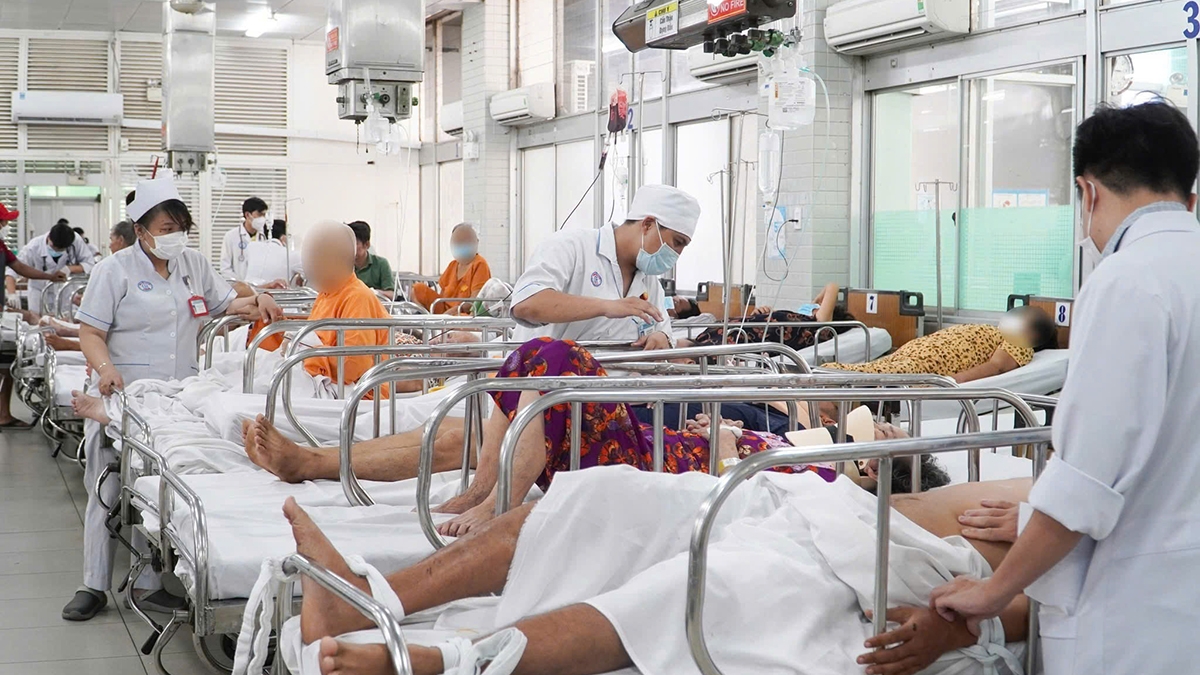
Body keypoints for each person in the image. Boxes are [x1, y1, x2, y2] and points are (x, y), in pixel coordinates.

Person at [930, 102, 1200, 674]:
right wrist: (1032, 518)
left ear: (1088, 192)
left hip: (1132, 616)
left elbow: (1085, 484)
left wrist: (992, 592)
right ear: (1190, 199)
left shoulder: (1127, 280)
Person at [274, 471, 1030, 675]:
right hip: (827, 506)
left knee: (700, 591)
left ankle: (447, 661)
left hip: (902, 576)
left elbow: (1069, 605)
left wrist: (975, 620)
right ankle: (372, 599)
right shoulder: (1073, 449)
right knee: (602, 499)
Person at [62, 174, 283, 622]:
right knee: (106, 487)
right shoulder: (114, 270)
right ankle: (93, 585)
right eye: (166, 229)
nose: (174, 236)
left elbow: (225, 304)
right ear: (140, 230)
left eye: (180, 228)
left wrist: (258, 299)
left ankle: (148, 585)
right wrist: (105, 369)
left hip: (176, 396)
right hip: (122, 392)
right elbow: (90, 332)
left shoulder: (192, 264)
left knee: (156, 487)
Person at [509, 184, 700, 349]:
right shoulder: (571, 247)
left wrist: (661, 338)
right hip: (545, 378)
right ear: (648, 225)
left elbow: (664, 331)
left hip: (612, 380)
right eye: (677, 242)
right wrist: (606, 306)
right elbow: (527, 304)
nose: (677, 253)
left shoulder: (649, 283)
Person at [247, 221, 397, 394]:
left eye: (315, 261)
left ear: (336, 260)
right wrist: (289, 336)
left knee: (262, 392)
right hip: (324, 377)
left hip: (358, 392)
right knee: (255, 375)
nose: (308, 269)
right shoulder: (327, 294)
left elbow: (353, 366)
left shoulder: (358, 297)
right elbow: (315, 336)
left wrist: (304, 355)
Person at [824, 305, 1058, 384]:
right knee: (865, 371)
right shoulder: (995, 332)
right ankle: (819, 379)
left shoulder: (1020, 344)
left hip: (925, 366)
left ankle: (821, 379)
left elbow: (996, 367)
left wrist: (948, 382)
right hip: (912, 355)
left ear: (1032, 334)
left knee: (858, 376)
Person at [0, 203, 71, 427]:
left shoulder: (1, 246)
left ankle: (3, 414)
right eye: (3, 221)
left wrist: (49, 277)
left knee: (5, 365)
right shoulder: (29, 246)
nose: (6, 225)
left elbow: (19, 267)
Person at [680, 282, 857, 351]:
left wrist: (816, 304)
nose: (809, 307)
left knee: (691, 348)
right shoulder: (801, 320)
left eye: (815, 308)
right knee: (690, 346)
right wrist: (762, 315)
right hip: (733, 330)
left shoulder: (819, 328)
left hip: (733, 339)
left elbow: (832, 286)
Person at [4, 221, 96, 313]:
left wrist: (69, 268)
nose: (57, 251)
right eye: (54, 248)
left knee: (65, 318)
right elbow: (12, 270)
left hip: (65, 291)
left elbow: (90, 264)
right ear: (49, 238)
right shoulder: (33, 247)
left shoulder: (75, 241)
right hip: (39, 292)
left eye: (61, 250)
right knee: (38, 319)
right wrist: (12, 293)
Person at [411, 222, 492, 313]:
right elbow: (441, 297)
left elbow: (475, 301)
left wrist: (455, 311)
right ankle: (425, 317)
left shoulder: (480, 264)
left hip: (464, 313)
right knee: (418, 289)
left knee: (464, 319)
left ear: (476, 242)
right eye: (458, 242)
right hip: (445, 311)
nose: (462, 245)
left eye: (466, 241)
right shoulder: (452, 265)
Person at [219, 196, 269, 280]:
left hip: (261, 284)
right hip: (238, 285)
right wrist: (241, 284)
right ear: (247, 215)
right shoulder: (231, 236)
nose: (262, 218)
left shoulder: (265, 236)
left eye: (264, 215)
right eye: (260, 214)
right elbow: (225, 269)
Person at [243, 218, 302, 289]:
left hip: (245, 291)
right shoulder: (290, 255)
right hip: (274, 293)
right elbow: (311, 272)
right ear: (283, 237)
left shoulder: (251, 246)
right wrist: (301, 276)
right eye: (289, 236)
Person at [347, 220, 396, 301]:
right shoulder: (344, 266)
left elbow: (391, 294)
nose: (350, 247)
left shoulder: (381, 264)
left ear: (366, 245)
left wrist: (373, 292)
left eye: (355, 243)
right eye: (348, 243)